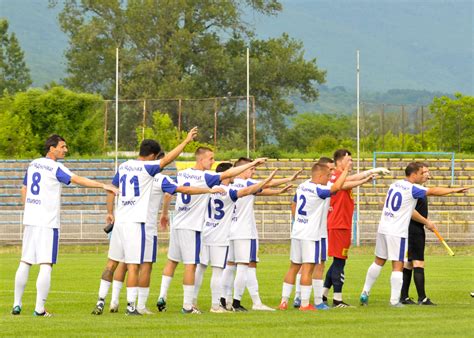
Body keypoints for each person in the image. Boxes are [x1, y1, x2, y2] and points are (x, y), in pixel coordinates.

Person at [91, 128, 199, 316]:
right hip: (136, 223)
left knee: (112, 263)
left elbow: (111, 189)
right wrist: (186, 141)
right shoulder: (148, 169)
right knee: (134, 265)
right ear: (152, 155)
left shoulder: (124, 166)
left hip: (120, 221)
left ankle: (101, 301)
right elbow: (167, 160)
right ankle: (132, 306)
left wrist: (110, 212)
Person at [11, 134, 118, 317]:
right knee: (46, 264)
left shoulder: (34, 163)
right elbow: (77, 180)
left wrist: (29, 208)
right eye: (62, 146)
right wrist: (103, 186)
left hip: (30, 219)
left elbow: (24, 188)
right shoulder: (55, 167)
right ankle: (39, 309)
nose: (65, 150)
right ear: (51, 148)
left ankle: (16, 305)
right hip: (47, 222)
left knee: (25, 261)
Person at [107, 154, 225, 314]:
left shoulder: (128, 169)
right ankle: (141, 306)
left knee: (124, 263)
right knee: (146, 267)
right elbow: (180, 190)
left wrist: (110, 212)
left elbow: (111, 189)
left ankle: (113, 302)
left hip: (125, 222)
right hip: (147, 227)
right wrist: (208, 190)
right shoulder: (159, 178)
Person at [157, 149, 266, 314]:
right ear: (201, 160)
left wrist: (164, 214)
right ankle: (193, 305)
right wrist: (252, 163)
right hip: (198, 229)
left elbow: (168, 194)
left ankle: (163, 295)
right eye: (210, 158)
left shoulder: (181, 174)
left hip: (180, 224)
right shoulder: (207, 178)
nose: (212, 162)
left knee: (173, 262)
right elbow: (232, 175)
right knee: (194, 267)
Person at [360, 162, 470, 307]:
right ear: (413, 174)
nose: (424, 175)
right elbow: (433, 191)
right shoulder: (412, 188)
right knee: (398, 265)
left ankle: (365, 292)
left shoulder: (395, 184)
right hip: (396, 231)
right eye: (421, 173)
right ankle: (394, 301)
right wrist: (455, 190)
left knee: (379, 261)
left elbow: (407, 208)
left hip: (383, 227)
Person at [192, 163, 278, 312]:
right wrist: (266, 180)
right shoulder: (229, 191)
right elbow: (249, 190)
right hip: (222, 234)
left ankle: (192, 302)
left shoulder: (208, 190)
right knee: (221, 270)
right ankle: (217, 305)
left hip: (206, 231)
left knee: (201, 268)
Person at [221, 158, 297, 312]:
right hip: (244, 231)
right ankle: (237, 302)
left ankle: (224, 299)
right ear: (242, 169)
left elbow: (259, 190)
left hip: (228, 230)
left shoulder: (230, 186)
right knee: (244, 266)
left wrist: (278, 192)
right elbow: (264, 184)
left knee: (229, 266)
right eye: (251, 169)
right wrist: (287, 179)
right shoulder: (245, 183)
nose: (253, 172)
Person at [279, 158, 350, 311]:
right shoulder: (318, 190)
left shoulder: (302, 186)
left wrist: (298, 220)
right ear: (319, 177)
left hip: (297, 232)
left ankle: (283, 301)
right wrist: (345, 170)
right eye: (326, 177)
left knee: (293, 267)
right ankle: (305, 304)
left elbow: (294, 204)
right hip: (311, 235)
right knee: (308, 269)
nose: (328, 179)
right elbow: (337, 187)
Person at [322, 149, 389, 308]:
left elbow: (351, 178)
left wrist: (371, 171)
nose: (351, 163)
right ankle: (337, 299)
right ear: (339, 162)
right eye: (349, 160)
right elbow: (345, 185)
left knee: (337, 261)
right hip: (339, 224)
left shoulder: (337, 175)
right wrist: (364, 181)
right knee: (340, 262)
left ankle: (323, 294)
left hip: (340, 223)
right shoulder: (337, 178)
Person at [400, 164, 436, 305]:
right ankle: (422, 298)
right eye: (424, 172)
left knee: (408, 264)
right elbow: (411, 211)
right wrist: (426, 222)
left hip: (412, 229)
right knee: (418, 263)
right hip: (414, 230)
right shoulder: (412, 190)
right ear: (416, 174)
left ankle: (404, 297)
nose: (427, 174)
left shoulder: (418, 189)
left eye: (428, 171)